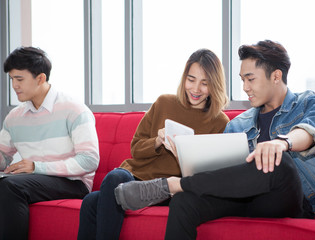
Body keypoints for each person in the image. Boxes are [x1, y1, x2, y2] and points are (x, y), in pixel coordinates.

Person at [115, 40, 315, 239]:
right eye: (242, 80)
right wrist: (189, 163)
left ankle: (171, 185)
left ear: (276, 76)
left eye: (250, 79)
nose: (245, 87)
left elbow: (313, 132)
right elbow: (222, 175)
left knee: (277, 160)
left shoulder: (309, 103)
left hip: (296, 200)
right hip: (247, 199)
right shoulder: (238, 124)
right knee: (185, 202)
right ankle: (179, 187)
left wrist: (282, 142)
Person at [77, 48, 230, 240]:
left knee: (93, 200)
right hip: (135, 175)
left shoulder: (220, 122)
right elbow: (135, 148)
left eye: (204, 83)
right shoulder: (164, 103)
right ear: (184, 78)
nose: (196, 89)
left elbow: (212, 173)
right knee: (102, 190)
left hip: (165, 189)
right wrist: (157, 141)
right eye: (191, 80)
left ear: (214, 85)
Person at [0, 47, 99, 239]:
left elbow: (89, 161)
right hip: (34, 180)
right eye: (12, 79)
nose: (14, 85)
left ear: (40, 78)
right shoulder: (14, 117)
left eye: (19, 79)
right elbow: (3, 157)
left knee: (11, 186)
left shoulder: (74, 109)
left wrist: (37, 167)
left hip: (73, 183)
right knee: (9, 183)